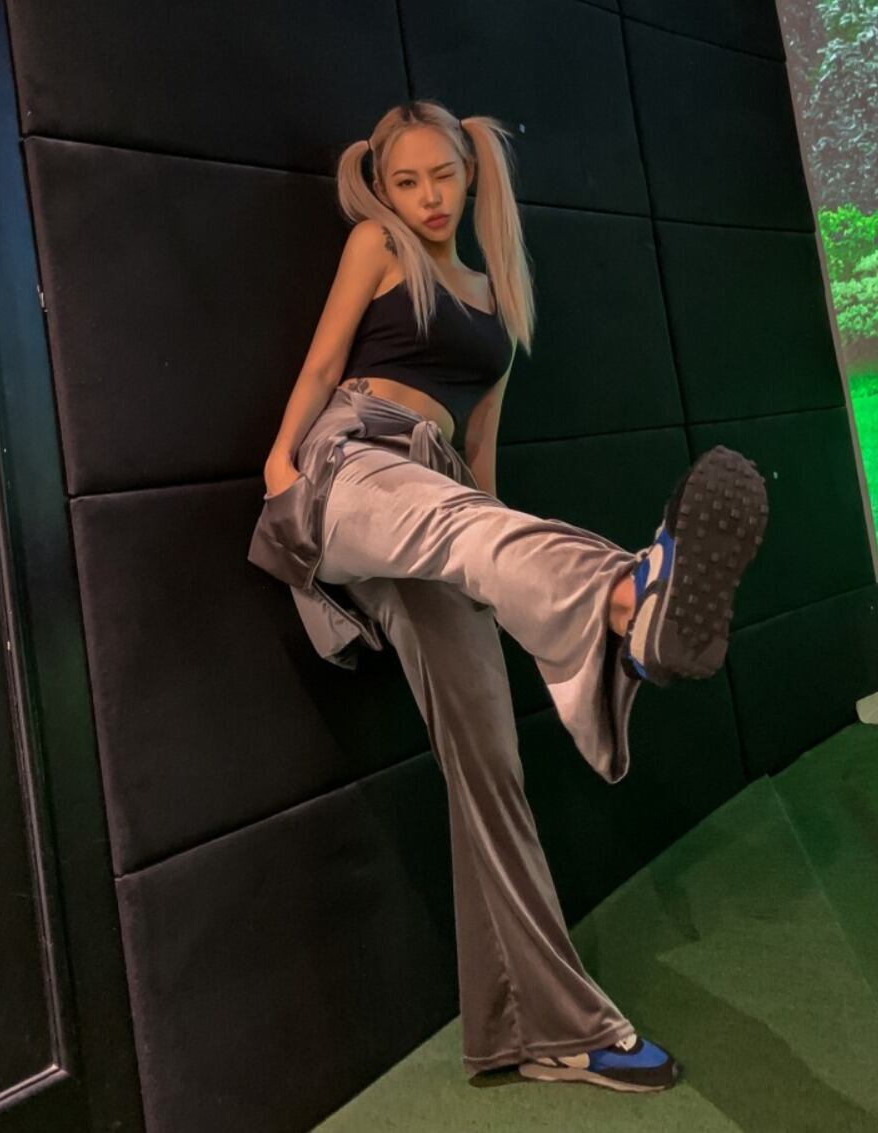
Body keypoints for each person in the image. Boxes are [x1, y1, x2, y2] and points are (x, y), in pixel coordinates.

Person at [248, 99, 768, 1093]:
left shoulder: (493, 299)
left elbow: (479, 460)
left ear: (469, 171)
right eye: (406, 181)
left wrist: (497, 577)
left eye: (441, 175)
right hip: (353, 463)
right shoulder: (376, 247)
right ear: (383, 187)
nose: (427, 197)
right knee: (460, 528)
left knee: (491, 766)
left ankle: (543, 1030)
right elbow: (320, 365)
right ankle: (627, 601)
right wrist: (280, 470)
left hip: (445, 496)